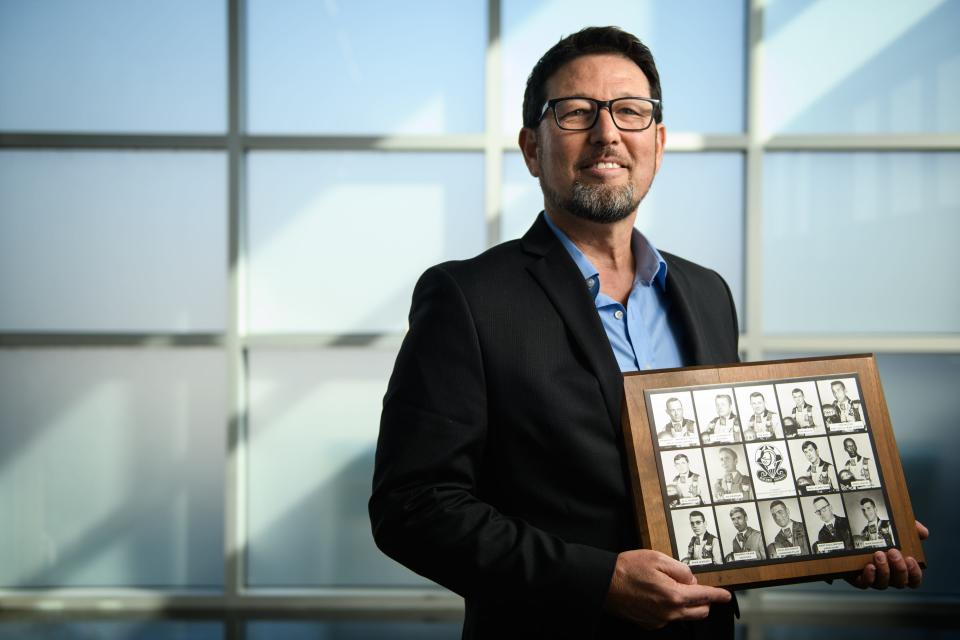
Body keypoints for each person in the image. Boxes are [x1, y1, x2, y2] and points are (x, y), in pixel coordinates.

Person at [370, 26, 924, 639]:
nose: (607, 133)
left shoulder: (706, 294)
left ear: (657, 143)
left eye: (630, 112)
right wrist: (598, 581)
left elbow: (726, 479)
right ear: (531, 148)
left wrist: (847, 539)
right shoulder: (468, 298)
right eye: (576, 112)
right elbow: (413, 507)